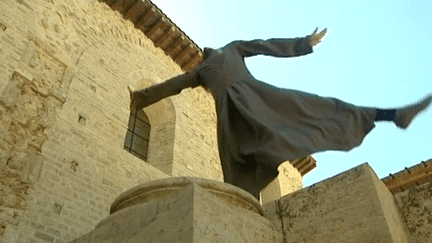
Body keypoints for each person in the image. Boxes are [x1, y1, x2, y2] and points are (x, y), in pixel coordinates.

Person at [128, 28, 432, 200]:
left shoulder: (230, 49)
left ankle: (393, 114)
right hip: (237, 120)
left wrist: (303, 43)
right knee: (238, 173)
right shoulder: (199, 70)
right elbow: (172, 85)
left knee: (317, 107)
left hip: (259, 101)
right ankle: (246, 215)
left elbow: (264, 46)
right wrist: (141, 97)